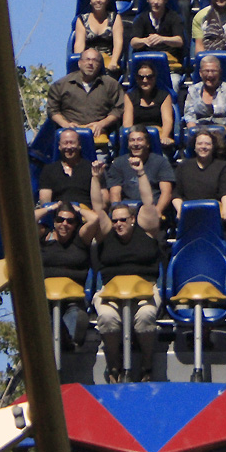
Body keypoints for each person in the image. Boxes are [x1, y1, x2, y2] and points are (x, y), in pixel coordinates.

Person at [91, 157, 163, 382]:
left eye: (123, 219)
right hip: (111, 291)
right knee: (107, 319)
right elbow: (96, 207)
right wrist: (95, 177)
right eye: (115, 221)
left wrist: (141, 174)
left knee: (145, 317)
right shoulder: (107, 232)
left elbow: (148, 203)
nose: (118, 224)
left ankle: (147, 365)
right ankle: (114, 366)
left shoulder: (147, 230)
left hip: (145, 290)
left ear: (133, 219)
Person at [37, 200, 100, 348]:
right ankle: (59, 336)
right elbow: (27, 219)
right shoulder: (45, 235)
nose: (64, 224)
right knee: (47, 322)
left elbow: (95, 219)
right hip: (46, 297)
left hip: (73, 297)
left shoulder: (80, 238)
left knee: (74, 319)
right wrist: (50, 209)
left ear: (75, 224)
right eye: (60, 220)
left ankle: (68, 337)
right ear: (54, 222)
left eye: (69, 221)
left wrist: (78, 209)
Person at [47, 49, 125, 138]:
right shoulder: (61, 85)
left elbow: (118, 109)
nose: (90, 63)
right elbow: (52, 110)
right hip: (70, 135)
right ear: (79, 63)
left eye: (95, 60)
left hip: (99, 134)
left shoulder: (111, 84)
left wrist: (101, 124)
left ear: (100, 65)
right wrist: (66, 125)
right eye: (87, 59)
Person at [106, 126, 174, 217]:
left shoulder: (161, 162)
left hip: (152, 210)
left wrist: (158, 210)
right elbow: (115, 193)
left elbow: (166, 192)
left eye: (140, 140)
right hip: (128, 213)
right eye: (132, 140)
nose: (135, 144)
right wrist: (119, 212)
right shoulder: (118, 163)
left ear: (147, 144)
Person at [172, 128, 226, 221]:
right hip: (189, 215)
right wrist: (180, 210)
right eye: (200, 143)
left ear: (213, 147)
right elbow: (176, 193)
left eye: (207, 144)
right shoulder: (183, 166)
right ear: (194, 147)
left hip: (214, 215)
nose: (203, 147)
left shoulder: (223, 167)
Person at [183, 54, 226, 144]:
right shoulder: (192, 90)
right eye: (206, 71)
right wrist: (196, 136)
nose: (210, 75)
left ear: (220, 72)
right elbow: (189, 116)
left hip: (222, 136)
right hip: (200, 137)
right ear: (200, 73)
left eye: (214, 71)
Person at [128, 0, 187, 75]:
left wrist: (162, 39)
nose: (156, 2)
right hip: (146, 66)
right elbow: (133, 42)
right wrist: (145, 40)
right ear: (148, 0)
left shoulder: (174, 17)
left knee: (174, 82)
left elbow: (179, 41)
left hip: (169, 66)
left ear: (165, 0)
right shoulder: (141, 18)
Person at [123, 59, 175, 148]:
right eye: (141, 77)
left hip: (158, 137)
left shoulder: (164, 96)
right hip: (137, 137)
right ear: (136, 78)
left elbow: (167, 121)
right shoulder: (129, 96)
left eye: (149, 77)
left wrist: (164, 137)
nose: (145, 80)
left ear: (155, 78)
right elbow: (127, 124)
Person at [73, 0, 124, 74]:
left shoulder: (115, 18)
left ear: (107, 0)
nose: (98, 0)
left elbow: (118, 42)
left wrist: (114, 61)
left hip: (108, 62)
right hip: (89, 62)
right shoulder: (82, 20)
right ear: (90, 1)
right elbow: (79, 44)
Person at [39, 129, 96, 207]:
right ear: (59, 146)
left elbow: (103, 202)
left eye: (72, 143)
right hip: (59, 214)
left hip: (85, 214)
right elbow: (45, 201)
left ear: (79, 145)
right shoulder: (48, 170)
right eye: (65, 143)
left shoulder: (93, 169)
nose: (69, 147)